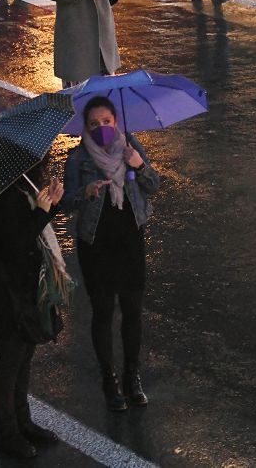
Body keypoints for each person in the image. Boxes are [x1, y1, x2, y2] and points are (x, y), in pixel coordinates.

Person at [63, 97, 161, 411]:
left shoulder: (131, 147)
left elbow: (153, 185)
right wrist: (84, 193)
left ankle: (133, 377)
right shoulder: (78, 159)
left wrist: (139, 165)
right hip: (96, 246)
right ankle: (110, 380)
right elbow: (66, 203)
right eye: (94, 124)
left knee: (132, 310)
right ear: (86, 128)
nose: (102, 128)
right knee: (103, 312)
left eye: (106, 121)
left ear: (116, 121)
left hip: (130, 241)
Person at [0, 163, 68, 459]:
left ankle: (23, 422)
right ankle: (8, 433)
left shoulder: (22, 189)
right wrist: (41, 211)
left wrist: (51, 205)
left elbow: (33, 231)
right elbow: (15, 243)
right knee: (10, 362)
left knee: (24, 356)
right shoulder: (1, 197)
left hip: (24, 288)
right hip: (6, 292)